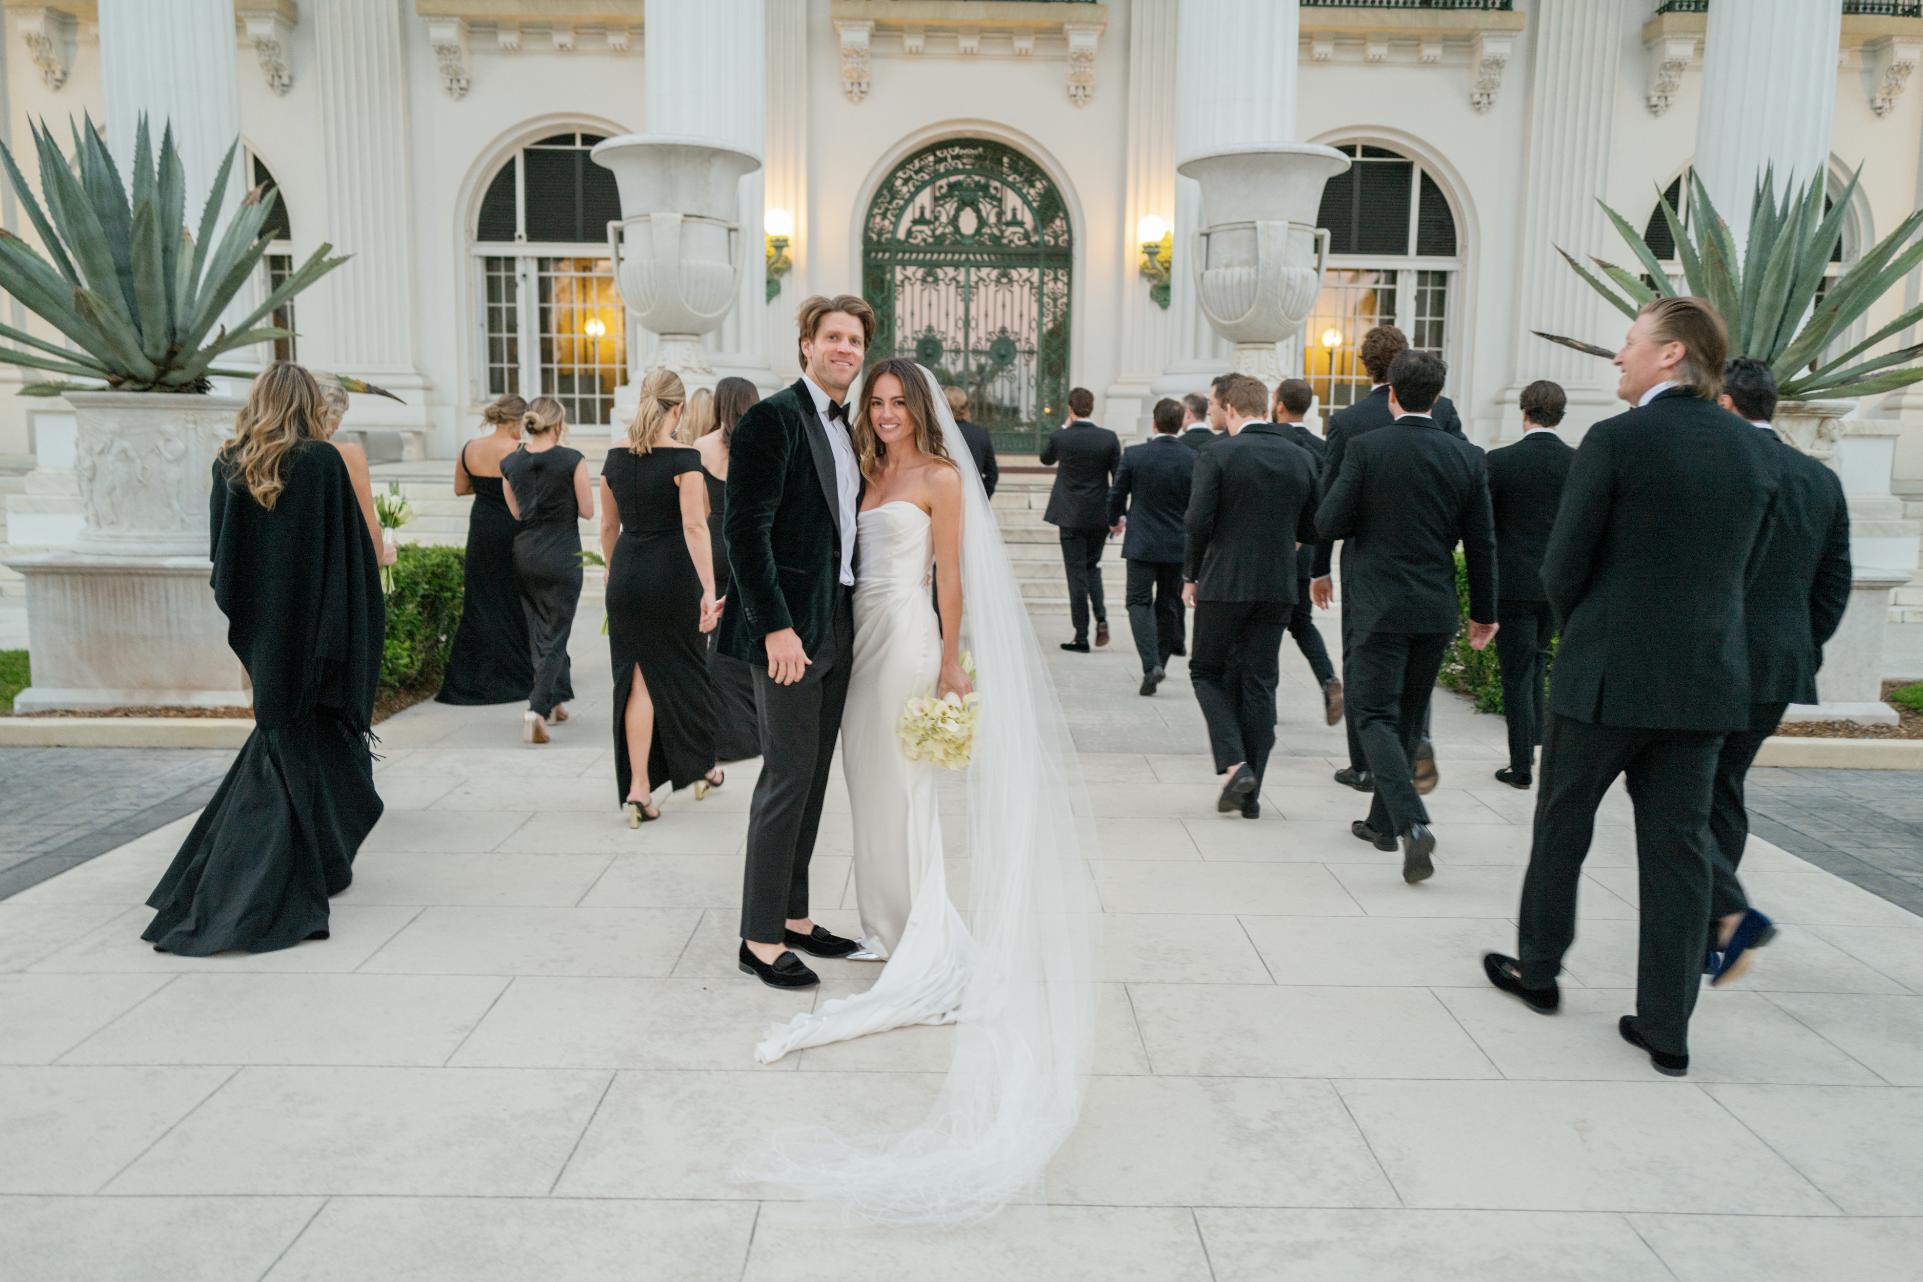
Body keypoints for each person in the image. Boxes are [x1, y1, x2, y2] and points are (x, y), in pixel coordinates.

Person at [744, 360, 1100, 1230]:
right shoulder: (865, 472)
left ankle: (920, 934)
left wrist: (948, 660)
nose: (888, 413)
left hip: (905, 638)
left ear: (924, 410)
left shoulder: (941, 478)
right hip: (848, 636)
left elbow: (950, 579)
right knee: (867, 785)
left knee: (904, 788)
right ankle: (887, 921)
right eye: (878, 401)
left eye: (900, 402)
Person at [1485, 297, 1780, 1079]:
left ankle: (1538, 973)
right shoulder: (1753, 452)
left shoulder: (1616, 440)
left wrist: (1591, 630)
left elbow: (1562, 565)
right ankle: (1665, 1027)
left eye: (1627, 344)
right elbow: (1743, 576)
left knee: (1562, 827)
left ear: (1671, 354)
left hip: (1604, 680)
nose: (1616, 357)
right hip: (1703, 684)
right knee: (1681, 853)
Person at [142, 363, 388, 955]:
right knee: (300, 743)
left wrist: (253, 624)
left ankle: (321, 861)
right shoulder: (321, 461)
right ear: (308, 404)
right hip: (316, 630)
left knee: (290, 738)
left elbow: (222, 559)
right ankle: (250, 886)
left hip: (264, 630)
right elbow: (349, 556)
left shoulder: (229, 462)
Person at [723, 295, 872, 987]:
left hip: (837, 620)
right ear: (806, 345)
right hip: (787, 628)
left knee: (811, 775)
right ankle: (757, 938)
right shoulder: (770, 418)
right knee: (785, 776)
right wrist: (774, 626)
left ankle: (794, 916)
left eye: (854, 339)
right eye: (832, 336)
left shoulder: (849, 426)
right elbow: (743, 530)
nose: (845, 348)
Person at [1316, 350, 1497, 883]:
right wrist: (1484, 613)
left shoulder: (1367, 448)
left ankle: (1413, 824)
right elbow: (1482, 544)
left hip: (1378, 604)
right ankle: (1381, 825)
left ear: (1391, 393)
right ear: (1437, 397)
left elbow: (1328, 519)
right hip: (1435, 605)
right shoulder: (1467, 457)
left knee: (1372, 714)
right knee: (1411, 716)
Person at [1705, 357, 1851, 986]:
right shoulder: (1821, 479)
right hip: (1779, 663)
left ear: (1729, 405)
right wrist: (1802, 647)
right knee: (1724, 785)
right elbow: (1834, 583)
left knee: (1677, 790)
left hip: (1713, 655)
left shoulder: (1728, 465)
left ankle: (1730, 912)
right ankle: (1716, 923)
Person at [1312, 325, 1465, 796]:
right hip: (1430, 555)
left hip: (1367, 560)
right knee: (1419, 663)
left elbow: (1330, 497)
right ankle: (1417, 737)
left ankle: (1364, 765)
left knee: (1363, 658)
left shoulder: (1349, 421)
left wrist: (1319, 566)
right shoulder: (1446, 413)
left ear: (1368, 367)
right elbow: (1462, 472)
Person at [1183, 373, 1319, 820]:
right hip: (1279, 586)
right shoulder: (1301, 458)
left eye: (1214, 404)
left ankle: (1236, 764)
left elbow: (1198, 522)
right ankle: (1251, 793)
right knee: (1260, 683)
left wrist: (1190, 576)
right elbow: (1310, 528)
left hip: (1224, 583)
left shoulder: (1217, 453)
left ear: (1231, 407)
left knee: (1205, 671)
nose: (1212, 411)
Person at [602, 368, 725, 823]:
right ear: (678, 409)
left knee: (638, 682)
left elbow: (607, 527)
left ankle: (639, 788)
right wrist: (710, 588)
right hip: (672, 576)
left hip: (628, 573)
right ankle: (705, 765)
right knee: (689, 672)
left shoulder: (614, 457)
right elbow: (695, 527)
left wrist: (615, 572)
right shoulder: (685, 460)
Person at [1486, 380, 1575, 789]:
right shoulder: (1577, 462)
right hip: (1556, 586)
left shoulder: (1500, 461)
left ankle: (1521, 765)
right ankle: (1537, 741)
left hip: (1513, 584)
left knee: (1518, 673)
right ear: (1560, 415)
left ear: (1524, 411)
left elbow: (1485, 528)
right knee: (1538, 662)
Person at [500, 397, 589, 744]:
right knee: (557, 632)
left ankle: (555, 701)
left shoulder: (510, 463)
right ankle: (535, 709)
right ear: (558, 425)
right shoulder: (572, 460)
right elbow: (587, 510)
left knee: (541, 629)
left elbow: (517, 514)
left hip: (525, 553)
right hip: (563, 553)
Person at [436, 395, 535, 705]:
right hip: (512, 529)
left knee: (480, 599)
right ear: (518, 421)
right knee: (514, 599)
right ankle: (517, 673)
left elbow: (460, 488)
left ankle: (475, 674)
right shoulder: (521, 451)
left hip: (481, 528)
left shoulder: (470, 447)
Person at [692, 376, 765, 762]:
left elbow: (696, 510)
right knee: (745, 637)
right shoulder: (762, 446)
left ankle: (721, 735)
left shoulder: (699, 447)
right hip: (747, 548)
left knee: (715, 644)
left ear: (719, 405)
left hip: (711, 547)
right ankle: (750, 731)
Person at [1108, 396, 1194, 695]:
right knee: (1169, 604)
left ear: (1154, 422)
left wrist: (1113, 519)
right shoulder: (1194, 457)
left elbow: (1117, 495)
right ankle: (1161, 663)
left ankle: (1150, 664)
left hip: (1142, 541)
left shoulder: (1134, 455)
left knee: (1137, 601)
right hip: (1177, 543)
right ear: (1182, 423)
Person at [1270, 378, 1341, 724]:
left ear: (1279, 404)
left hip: (1269, 548)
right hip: (1306, 549)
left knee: (1264, 626)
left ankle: (1263, 700)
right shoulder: (1322, 447)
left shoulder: (1267, 441)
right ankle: (1328, 677)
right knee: (1301, 622)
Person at [1040, 387, 1120, 653]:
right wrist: (1118, 513)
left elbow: (1045, 458)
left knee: (1076, 576)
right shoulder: (1108, 438)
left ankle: (1081, 636)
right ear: (1092, 407)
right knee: (1091, 567)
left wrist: (1064, 426)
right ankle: (1102, 618)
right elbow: (1117, 478)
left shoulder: (1061, 436)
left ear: (1071, 408)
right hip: (1098, 515)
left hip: (1070, 516)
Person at [943, 384, 999, 498]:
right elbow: (992, 473)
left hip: (942, 500)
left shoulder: (936, 433)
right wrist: (982, 499)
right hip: (974, 499)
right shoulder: (981, 433)